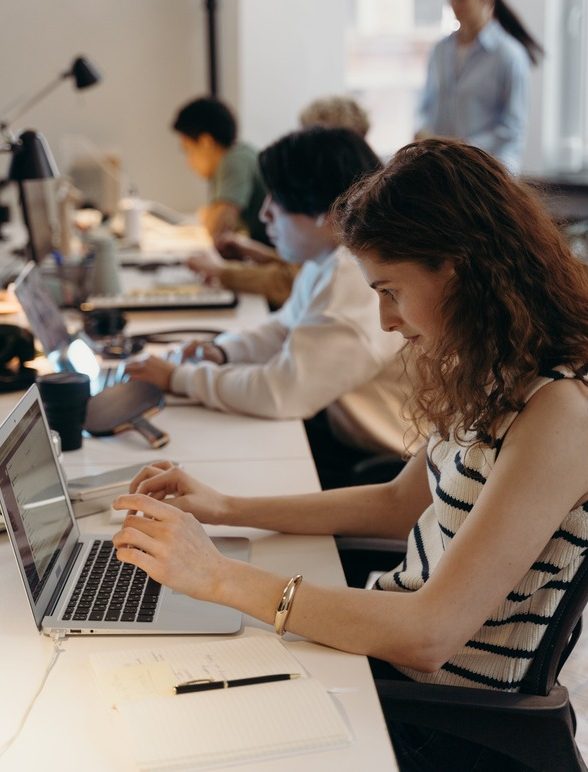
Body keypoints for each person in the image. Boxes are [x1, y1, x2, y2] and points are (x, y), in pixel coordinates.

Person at [115, 139, 588, 771]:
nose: (386, 319)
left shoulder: (557, 413)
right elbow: (399, 502)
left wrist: (219, 576)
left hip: (439, 720)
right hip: (387, 663)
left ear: (459, 267)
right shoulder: (497, 371)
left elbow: (430, 635)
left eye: (390, 290)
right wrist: (226, 508)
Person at [128, 126, 419, 486]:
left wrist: (179, 378)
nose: (264, 215)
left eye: (276, 201)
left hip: (380, 461)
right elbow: (285, 326)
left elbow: (280, 393)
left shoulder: (355, 283)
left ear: (325, 213)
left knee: (221, 472)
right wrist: (220, 353)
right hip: (336, 426)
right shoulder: (328, 260)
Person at [187, 94, 372, 309]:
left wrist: (220, 271)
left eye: (311, 136)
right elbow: (304, 270)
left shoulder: (349, 208)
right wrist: (257, 253)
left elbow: (288, 283)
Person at [416, 0, 544, 173]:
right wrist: (422, 132)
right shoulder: (440, 51)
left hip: (488, 169)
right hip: (444, 165)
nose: (455, 4)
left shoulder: (508, 55)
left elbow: (512, 128)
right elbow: (426, 104)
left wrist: (464, 146)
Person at [172, 96, 268, 243]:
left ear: (206, 143)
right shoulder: (236, 156)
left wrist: (210, 216)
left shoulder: (234, 161)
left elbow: (219, 226)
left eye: (188, 150)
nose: (188, 162)